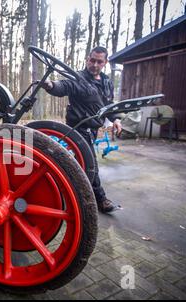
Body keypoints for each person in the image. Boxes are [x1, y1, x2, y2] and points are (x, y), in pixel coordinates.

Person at [42, 46, 122, 213]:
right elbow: (64, 86)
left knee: (78, 164)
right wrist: (50, 85)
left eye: (99, 61)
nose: (95, 64)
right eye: (92, 60)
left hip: (93, 128)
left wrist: (116, 119)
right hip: (78, 128)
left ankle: (67, 192)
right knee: (90, 164)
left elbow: (109, 105)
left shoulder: (106, 82)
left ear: (105, 62)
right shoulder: (78, 78)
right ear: (88, 59)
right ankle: (100, 200)